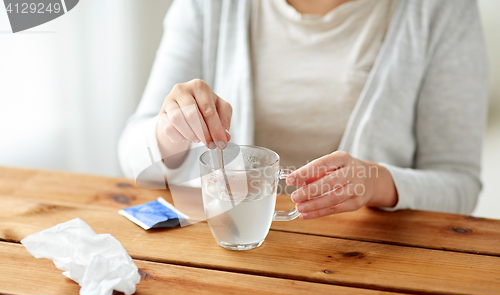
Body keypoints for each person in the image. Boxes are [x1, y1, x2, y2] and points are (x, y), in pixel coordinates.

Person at [118, 0, 488, 218]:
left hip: (371, 259)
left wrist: (377, 183)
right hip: (236, 249)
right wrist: (171, 132)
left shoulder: (442, 10)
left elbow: (459, 183)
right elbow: (132, 158)